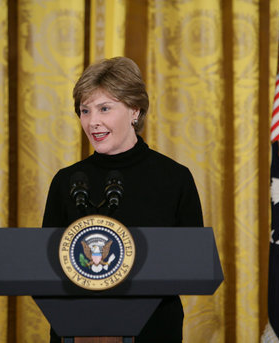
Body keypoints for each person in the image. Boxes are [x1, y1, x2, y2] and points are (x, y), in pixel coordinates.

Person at [42, 56, 204, 343]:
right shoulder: (67, 181)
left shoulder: (174, 178)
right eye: (85, 110)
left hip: (152, 332)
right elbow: (44, 267)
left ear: (134, 110)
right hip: (76, 333)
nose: (93, 122)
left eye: (105, 108)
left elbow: (192, 263)